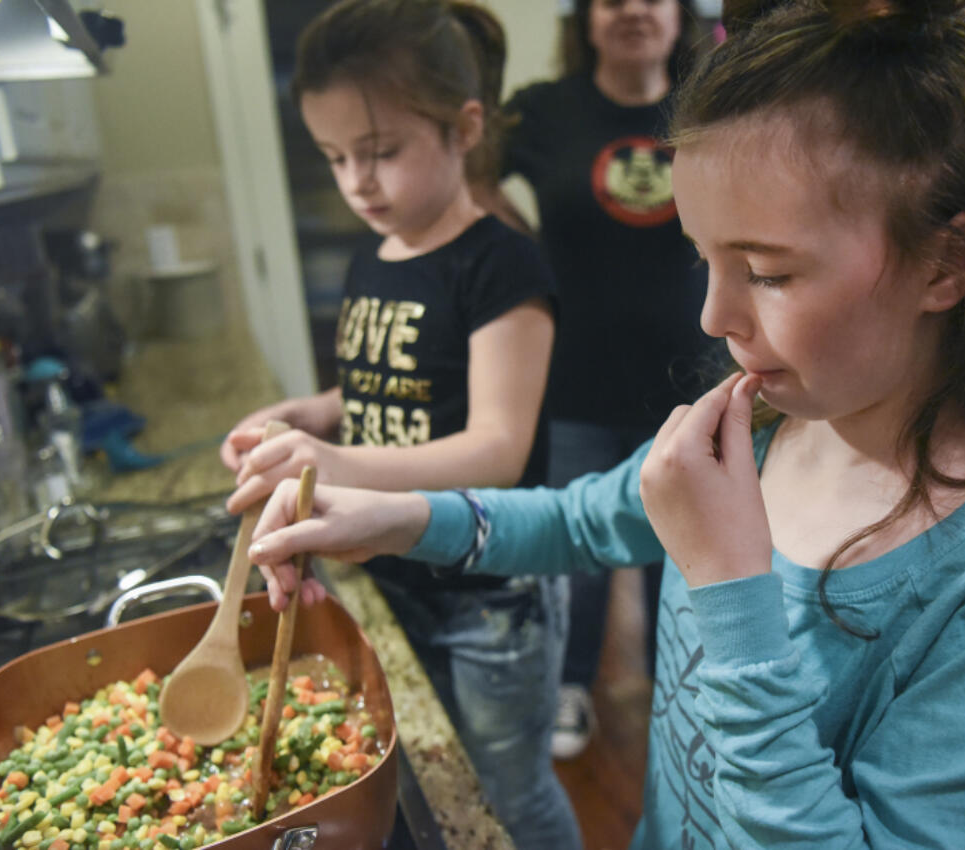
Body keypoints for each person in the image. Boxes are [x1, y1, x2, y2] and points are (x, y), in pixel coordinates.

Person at [247, 0, 965, 847]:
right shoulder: (771, 426)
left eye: (769, 273)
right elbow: (578, 520)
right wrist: (389, 518)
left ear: (952, 261)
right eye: (704, 259)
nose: (713, 317)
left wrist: (731, 588)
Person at [218, 2, 581, 847]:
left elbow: (497, 450)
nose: (357, 183)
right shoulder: (369, 254)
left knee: (510, 791)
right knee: (435, 773)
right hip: (394, 574)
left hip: (491, 595)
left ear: (464, 128)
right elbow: (384, 389)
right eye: (335, 157)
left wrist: (331, 459)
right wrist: (305, 415)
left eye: (380, 153)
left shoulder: (502, 264)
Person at [493, 0, 717, 760]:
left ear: (679, 13)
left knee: (686, 551)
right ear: (585, 17)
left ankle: (678, 693)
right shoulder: (542, 111)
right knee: (577, 552)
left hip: (695, 378)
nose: (632, 9)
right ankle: (571, 683)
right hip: (576, 378)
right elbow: (462, 172)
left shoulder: (716, 102)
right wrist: (519, 247)